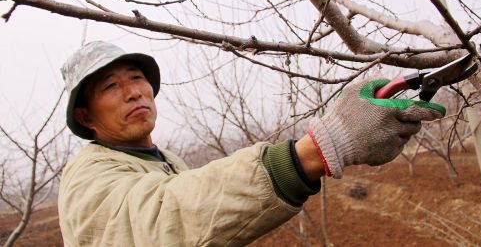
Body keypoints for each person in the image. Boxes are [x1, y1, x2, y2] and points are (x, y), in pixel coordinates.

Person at [58, 41, 445, 246]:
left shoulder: (164, 160)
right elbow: (161, 223)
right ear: (85, 117)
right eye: (111, 86)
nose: (133, 92)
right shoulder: (88, 176)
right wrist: (320, 148)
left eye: (136, 77)